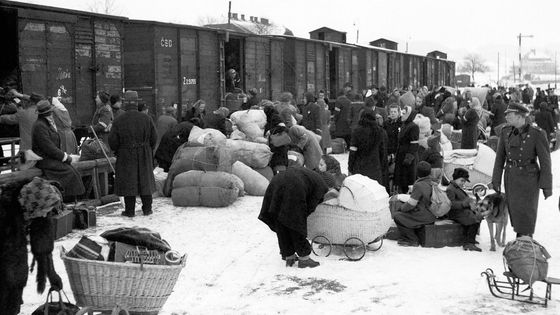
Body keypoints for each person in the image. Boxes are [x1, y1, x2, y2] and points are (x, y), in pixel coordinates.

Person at [491, 102, 552, 238]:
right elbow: (500, 158)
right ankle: (521, 236)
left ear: (520, 117)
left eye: (510, 115)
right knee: (515, 209)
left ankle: (525, 238)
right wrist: (496, 179)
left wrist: (546, 186)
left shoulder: (537, 134)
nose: (506, 117)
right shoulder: (506, 132)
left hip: (529, 178)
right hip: (511, 177)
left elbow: (545, 162)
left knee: (527, 211)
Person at [258, 166, 328, 268]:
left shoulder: (311, 176)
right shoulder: (322, 187)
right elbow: (309, 207)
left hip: (277, 181)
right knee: (295, 223)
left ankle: (289, 256)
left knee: (281, 220)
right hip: (294, 186)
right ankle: (304, 259)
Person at [109, 90, 157, 217]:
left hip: (126, 154)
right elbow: (154, 138)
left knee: (129, 182)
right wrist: (147, 149)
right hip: (144, 152)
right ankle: (147, 209)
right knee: (145, 180)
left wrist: (119, 150)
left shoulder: (119, 120)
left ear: (125, 103)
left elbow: (113, 141)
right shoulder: (146, 118)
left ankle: (129, 211)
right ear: (137, 103)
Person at [31, 100, 85, 198]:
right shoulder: (40, 126)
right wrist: (65, 157)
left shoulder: (45, 123)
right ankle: (68, 197)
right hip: (44, 160)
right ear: (46, 114)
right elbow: (48, 147)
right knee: (69, 171)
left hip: (50, 158)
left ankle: (73, 197)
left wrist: (65, 157)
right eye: (50, 112)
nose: (52, 114)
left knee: (72, 169)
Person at [392, 161, 436, 247]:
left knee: (397, 216)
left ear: (417, 173)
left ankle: (411, 239)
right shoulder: (432, 183)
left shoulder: (419, 185)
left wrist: (401, 208)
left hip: (423, 216)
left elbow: (411, 204)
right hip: (432, 215)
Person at [445, 168, 485, 251]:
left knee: (478, 216)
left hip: (462, 211)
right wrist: (464, 204)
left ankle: (470, 238)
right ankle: (469, 243)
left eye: (464, 181)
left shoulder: (457, 187)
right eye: (462, 181)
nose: (463, 183)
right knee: (473, 219)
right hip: (455, 213)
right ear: (456, 178)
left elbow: (463, 198)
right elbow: (451, 204)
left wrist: (471, 201)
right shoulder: (450, 189)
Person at [348, 112, 387, 184]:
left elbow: (352, 151)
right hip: (375, 166)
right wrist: (381, 166)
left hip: (359, 167)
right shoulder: (380, 131)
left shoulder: (357, 131)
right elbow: (382, 151)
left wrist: (350, 167)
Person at [393, 105, 419, 193]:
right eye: (401, 113)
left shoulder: (413, 127)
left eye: (404, 114)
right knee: (401, 180)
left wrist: (408, 159)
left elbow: (414, 145)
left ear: (409, 115)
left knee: (407, 180)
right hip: (401, 156)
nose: (401, 115)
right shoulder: (404, 125)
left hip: (408, 159)